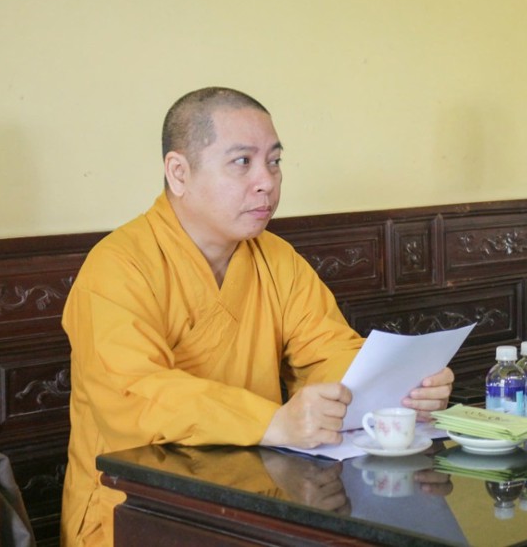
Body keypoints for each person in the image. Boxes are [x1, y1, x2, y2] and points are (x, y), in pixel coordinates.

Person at [60, 87, 454, 546]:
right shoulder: (117, 267)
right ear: (179, 172)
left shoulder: (276, 258)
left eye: (274, 161)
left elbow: (329, 351)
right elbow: (135, 395)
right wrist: (273, 423)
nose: (266, 181)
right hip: (137, 509)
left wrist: (402, 388)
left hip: (254, 497)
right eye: (242, 162)